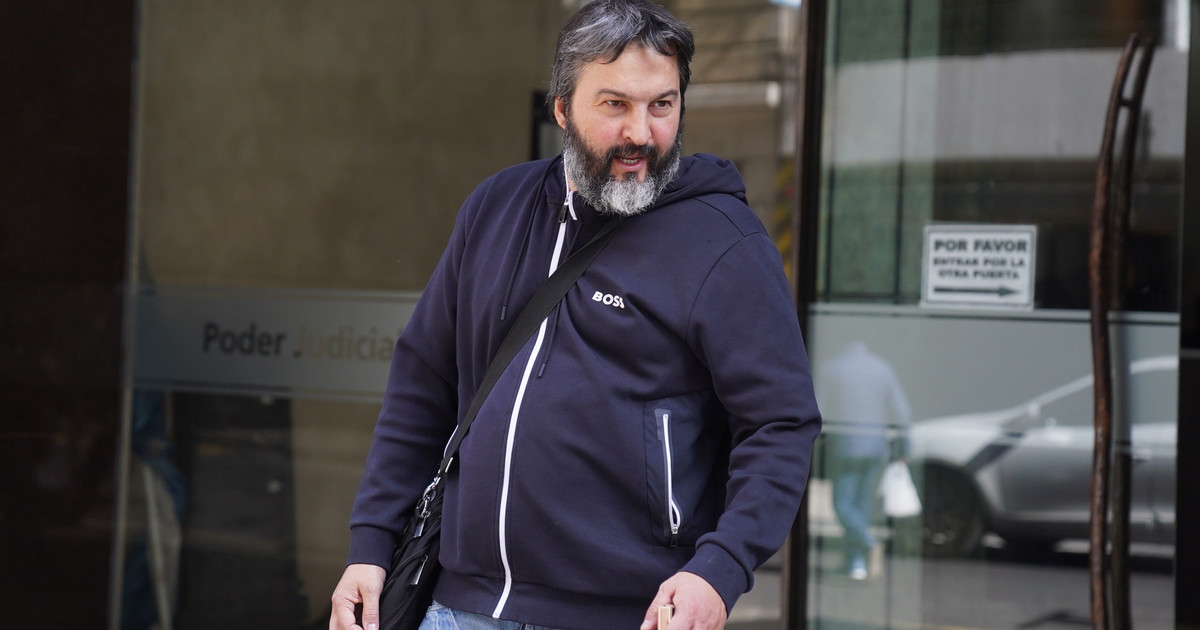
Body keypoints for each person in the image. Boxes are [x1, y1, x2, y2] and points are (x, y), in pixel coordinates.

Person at [329, 1, 821, 628]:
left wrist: (719, 570)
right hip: (460, 607)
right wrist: (372, 544)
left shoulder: (725, 243)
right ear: (561, 108)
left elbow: (780, 423)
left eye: (662, 105)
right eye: (615, 105)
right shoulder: (495, 207)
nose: (641, 132)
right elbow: (422, 385)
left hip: (630, 614)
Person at [816, 342, 911, 581]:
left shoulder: (832, 368)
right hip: (875, 448)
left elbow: (817, 410)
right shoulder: (882, 368)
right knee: (860, 505)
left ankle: (866, 543)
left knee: (842, 503)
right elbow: (901, 411)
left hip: (844, 447)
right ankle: (856, 563)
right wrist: (904, 446)